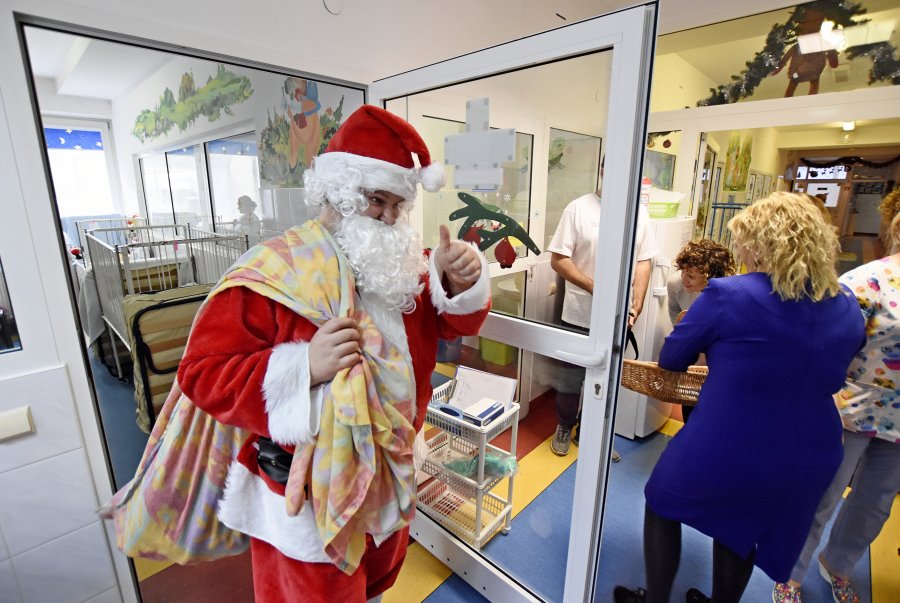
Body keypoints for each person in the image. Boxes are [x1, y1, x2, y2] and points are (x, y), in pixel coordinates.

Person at [176, 105, 491, 603]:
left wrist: (461, 280)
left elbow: (456, 322)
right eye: (376, 201)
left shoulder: (404, 266)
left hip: (391, 475)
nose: (389, 219)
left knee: (374, 589)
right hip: (308, 498)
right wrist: (301, 367)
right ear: (339, 194)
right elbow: (202, 374)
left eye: (398, 206)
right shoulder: (276, 270)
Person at [614, 192, 866, 603]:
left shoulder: (730, 294)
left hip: (730, 437)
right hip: (808, 451)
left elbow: (673, 358)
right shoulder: (847, 305)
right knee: (745, 524)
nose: (741, 252)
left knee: (662, 500)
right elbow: (835, 370)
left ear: (761, 243)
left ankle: (656, 598)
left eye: (744, 242)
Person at [772, 212, 900, 603]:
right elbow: (826, 342)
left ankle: (838, 564)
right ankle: (790, 573)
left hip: (898, 423)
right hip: (848, 408)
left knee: (876, 503)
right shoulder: (866, 280)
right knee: (821, 495)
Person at [546, 160, 659, 457]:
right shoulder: (579, 208)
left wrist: (638, 300)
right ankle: (564, 426)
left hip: (618, 317)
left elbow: (644, 260)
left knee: (607, 381)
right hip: (579, 312)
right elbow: (558, 259)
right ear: (603, 172)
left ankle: (592, 435)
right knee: (571, 378)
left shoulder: (640, 214)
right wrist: (596, 287)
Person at [665, 239, 736, 423]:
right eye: (683, 272)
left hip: (721, 361)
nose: (684, 279)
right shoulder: (675, 284)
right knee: (690, 408)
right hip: (696, 361)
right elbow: (675, 313)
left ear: (709, 275)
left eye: (691, 276)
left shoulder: (727, 293)